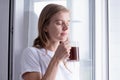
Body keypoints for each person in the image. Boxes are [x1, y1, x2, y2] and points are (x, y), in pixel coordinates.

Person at [20, 3, 79, 80]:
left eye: (68, 23)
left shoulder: (70, 55)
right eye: (59, 23)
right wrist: (56, 59)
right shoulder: (31, 53)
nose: (66, 28)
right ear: (45, 27)